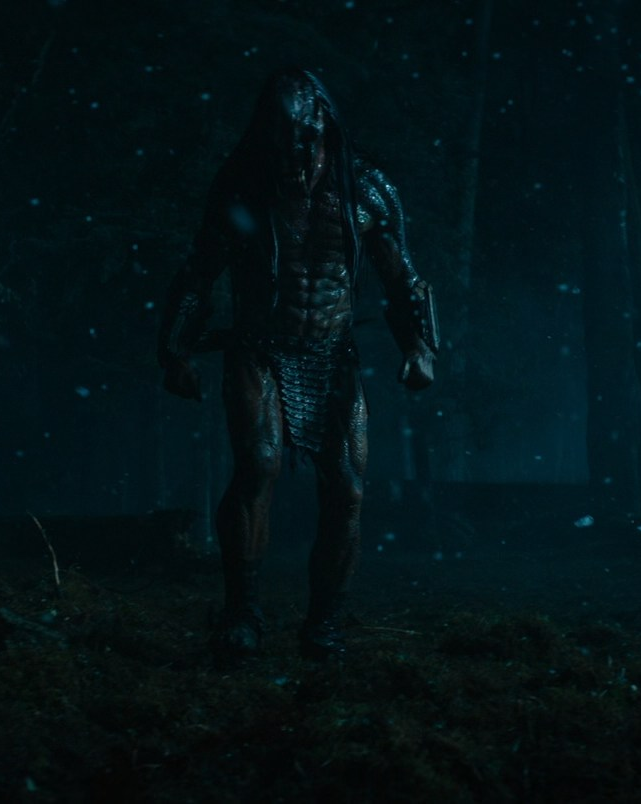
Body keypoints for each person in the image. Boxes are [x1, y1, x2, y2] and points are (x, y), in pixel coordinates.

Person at [156, 67, 440, 662]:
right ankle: (243, 615)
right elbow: (200, 271)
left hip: (333, 352)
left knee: (348, 489)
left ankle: (325, 625)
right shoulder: (244, 186)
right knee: (258, 466)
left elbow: (403, 278)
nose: (293, 148)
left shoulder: (365, 189)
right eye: (280, 133)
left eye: (304, 134)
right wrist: (175, 350)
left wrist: (420, 348)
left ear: (323, 126)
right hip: (260, 347)